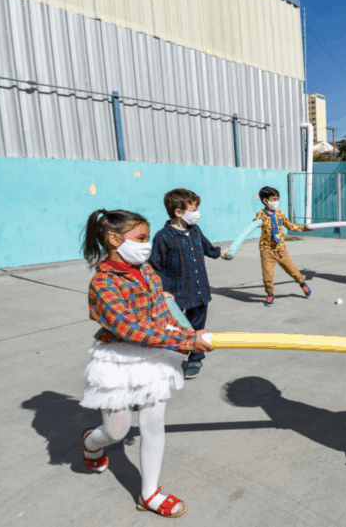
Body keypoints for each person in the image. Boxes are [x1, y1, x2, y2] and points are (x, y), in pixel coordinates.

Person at [79, 209, 214, 518]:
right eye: (140, 239)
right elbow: (130, 329)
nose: (146, 245)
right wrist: (185, 340)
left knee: (153, 424)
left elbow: (162, 314)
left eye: (147, 238)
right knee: (116, 431)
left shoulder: (147, 271)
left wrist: (188, 333)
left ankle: (149, 493)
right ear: (114, 240)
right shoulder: (103, 283)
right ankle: (91, 443)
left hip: (154, 357)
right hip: (118, 361)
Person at [150, 188, 232, 379]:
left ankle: (196, 358)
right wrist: (159, 290)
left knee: (197, 327)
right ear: (179, 212)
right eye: (193, 210)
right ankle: (172, 360)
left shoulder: (195, 230)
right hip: (175, 294)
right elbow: (154, 266)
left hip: (199, 291)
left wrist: (219, 253)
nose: (197, 214)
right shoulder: (163, 237)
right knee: (175, 330)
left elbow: (207, 247)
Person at [255, 186, 313, 307]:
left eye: (277, 199)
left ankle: (302, 283)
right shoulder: (260, 214)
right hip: (266, 250)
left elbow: (290, 226)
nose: (276, 202)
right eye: (274, 199)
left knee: (293, 271)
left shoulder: (280, 213)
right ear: (265, 201)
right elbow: (255, 222)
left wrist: (304, 228)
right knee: (267, 276)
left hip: (280, 250)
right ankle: (270, 294)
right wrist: (257, 223)